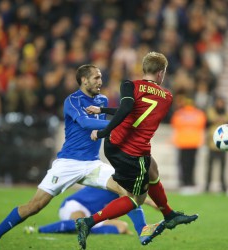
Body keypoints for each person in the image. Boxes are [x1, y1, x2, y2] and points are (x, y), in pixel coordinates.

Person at [0, 64, 162, 250]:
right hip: (68, 163)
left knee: (126, 189)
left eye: (101, 77)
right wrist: (116, 125)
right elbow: (84, 122)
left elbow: (104, 128)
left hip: (92, 163)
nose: (100, 81)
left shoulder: (102, 100)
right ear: (84, 80)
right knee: (34, 206)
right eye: (96, 78)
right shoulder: (72, 100)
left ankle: (142, 231)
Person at [76, 52, 198, 250]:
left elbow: (129, 108)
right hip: (133, 153)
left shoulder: (129, 85)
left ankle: (169, 214)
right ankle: (88, 222)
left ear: (144, 69)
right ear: (161, 73)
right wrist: (102, 131)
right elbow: (131, 109)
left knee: (153, 169)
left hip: (114, 144)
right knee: (136, 199)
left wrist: (104, 116)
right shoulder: (167, 97)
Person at [24, 186, 160, 236]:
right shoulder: (114, 181)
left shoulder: (123, 196)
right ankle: (38, 230)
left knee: (122, 227)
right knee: (80, 220)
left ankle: (80, 229)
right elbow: (130, 196)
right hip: (75, 206)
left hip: (93, 217)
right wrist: (151, 202)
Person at [170, 94, 207, 193]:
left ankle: (184, 182)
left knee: (183, 164)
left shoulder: (179, 113)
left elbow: (174, 125)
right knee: (192, 163)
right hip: (194, 142)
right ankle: (190, 182)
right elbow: (202, 125)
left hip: (182, 142)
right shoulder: (199, 113)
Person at [205, 96, 228, 193]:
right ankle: (207, 186)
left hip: (223, 145)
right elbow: (207, 123)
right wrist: (217, 120)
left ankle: (223, 186)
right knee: (210, 167)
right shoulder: (210, 111)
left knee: (223, 167)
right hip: (212, 144)